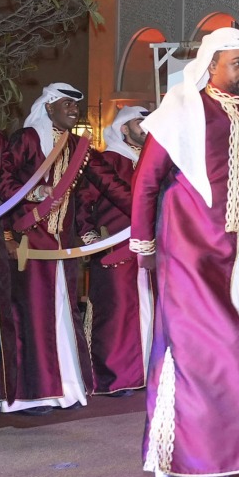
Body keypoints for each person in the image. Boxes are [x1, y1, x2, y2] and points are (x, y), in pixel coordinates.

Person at [132, 29, 239, 477]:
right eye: (236, 63)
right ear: (211, 63)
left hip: (235, 254)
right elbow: (147, 181)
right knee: (206, 354)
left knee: (229, 351)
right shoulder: (181, 109)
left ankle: (191, 453)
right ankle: (206, 461)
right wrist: (143, 244)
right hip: (187, 253)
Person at [0, 83, 131, 416]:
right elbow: (2, 178)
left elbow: (110, 184)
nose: (74, 110)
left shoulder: (79, 147)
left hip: (62, 246)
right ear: (49, 108)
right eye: (67, 105)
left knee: (61, 312)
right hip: (28, 243)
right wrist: (32, 192)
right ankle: (31, 394)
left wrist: (148, 212)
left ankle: (64, 388)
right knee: (30, 315)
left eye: (76, 106)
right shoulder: (28, 139)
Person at [85, 105, 153, 397]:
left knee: (151, 311)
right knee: (117, 314)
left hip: (152, 250)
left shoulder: (155, 161)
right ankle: (115, 378)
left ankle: (150, 373)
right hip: (115, 247)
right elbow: (84, 199)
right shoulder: (108, 160)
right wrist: (88, 234)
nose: (146, 128)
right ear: (124, 129)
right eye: (140, 122)